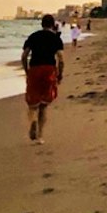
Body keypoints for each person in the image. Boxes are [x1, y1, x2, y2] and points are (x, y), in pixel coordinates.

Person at [22, 14, 64, 144]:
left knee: (32, 104)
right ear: (52, 25)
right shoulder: (55, 38)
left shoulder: (33, 36)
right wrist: (60, 74)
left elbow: (24, 55)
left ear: (41, 24)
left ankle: (33, 121)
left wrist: (26, 70)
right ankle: (40, 136)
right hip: (49, 70)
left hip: (35, 69)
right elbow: (61, 58)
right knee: (44, 105)